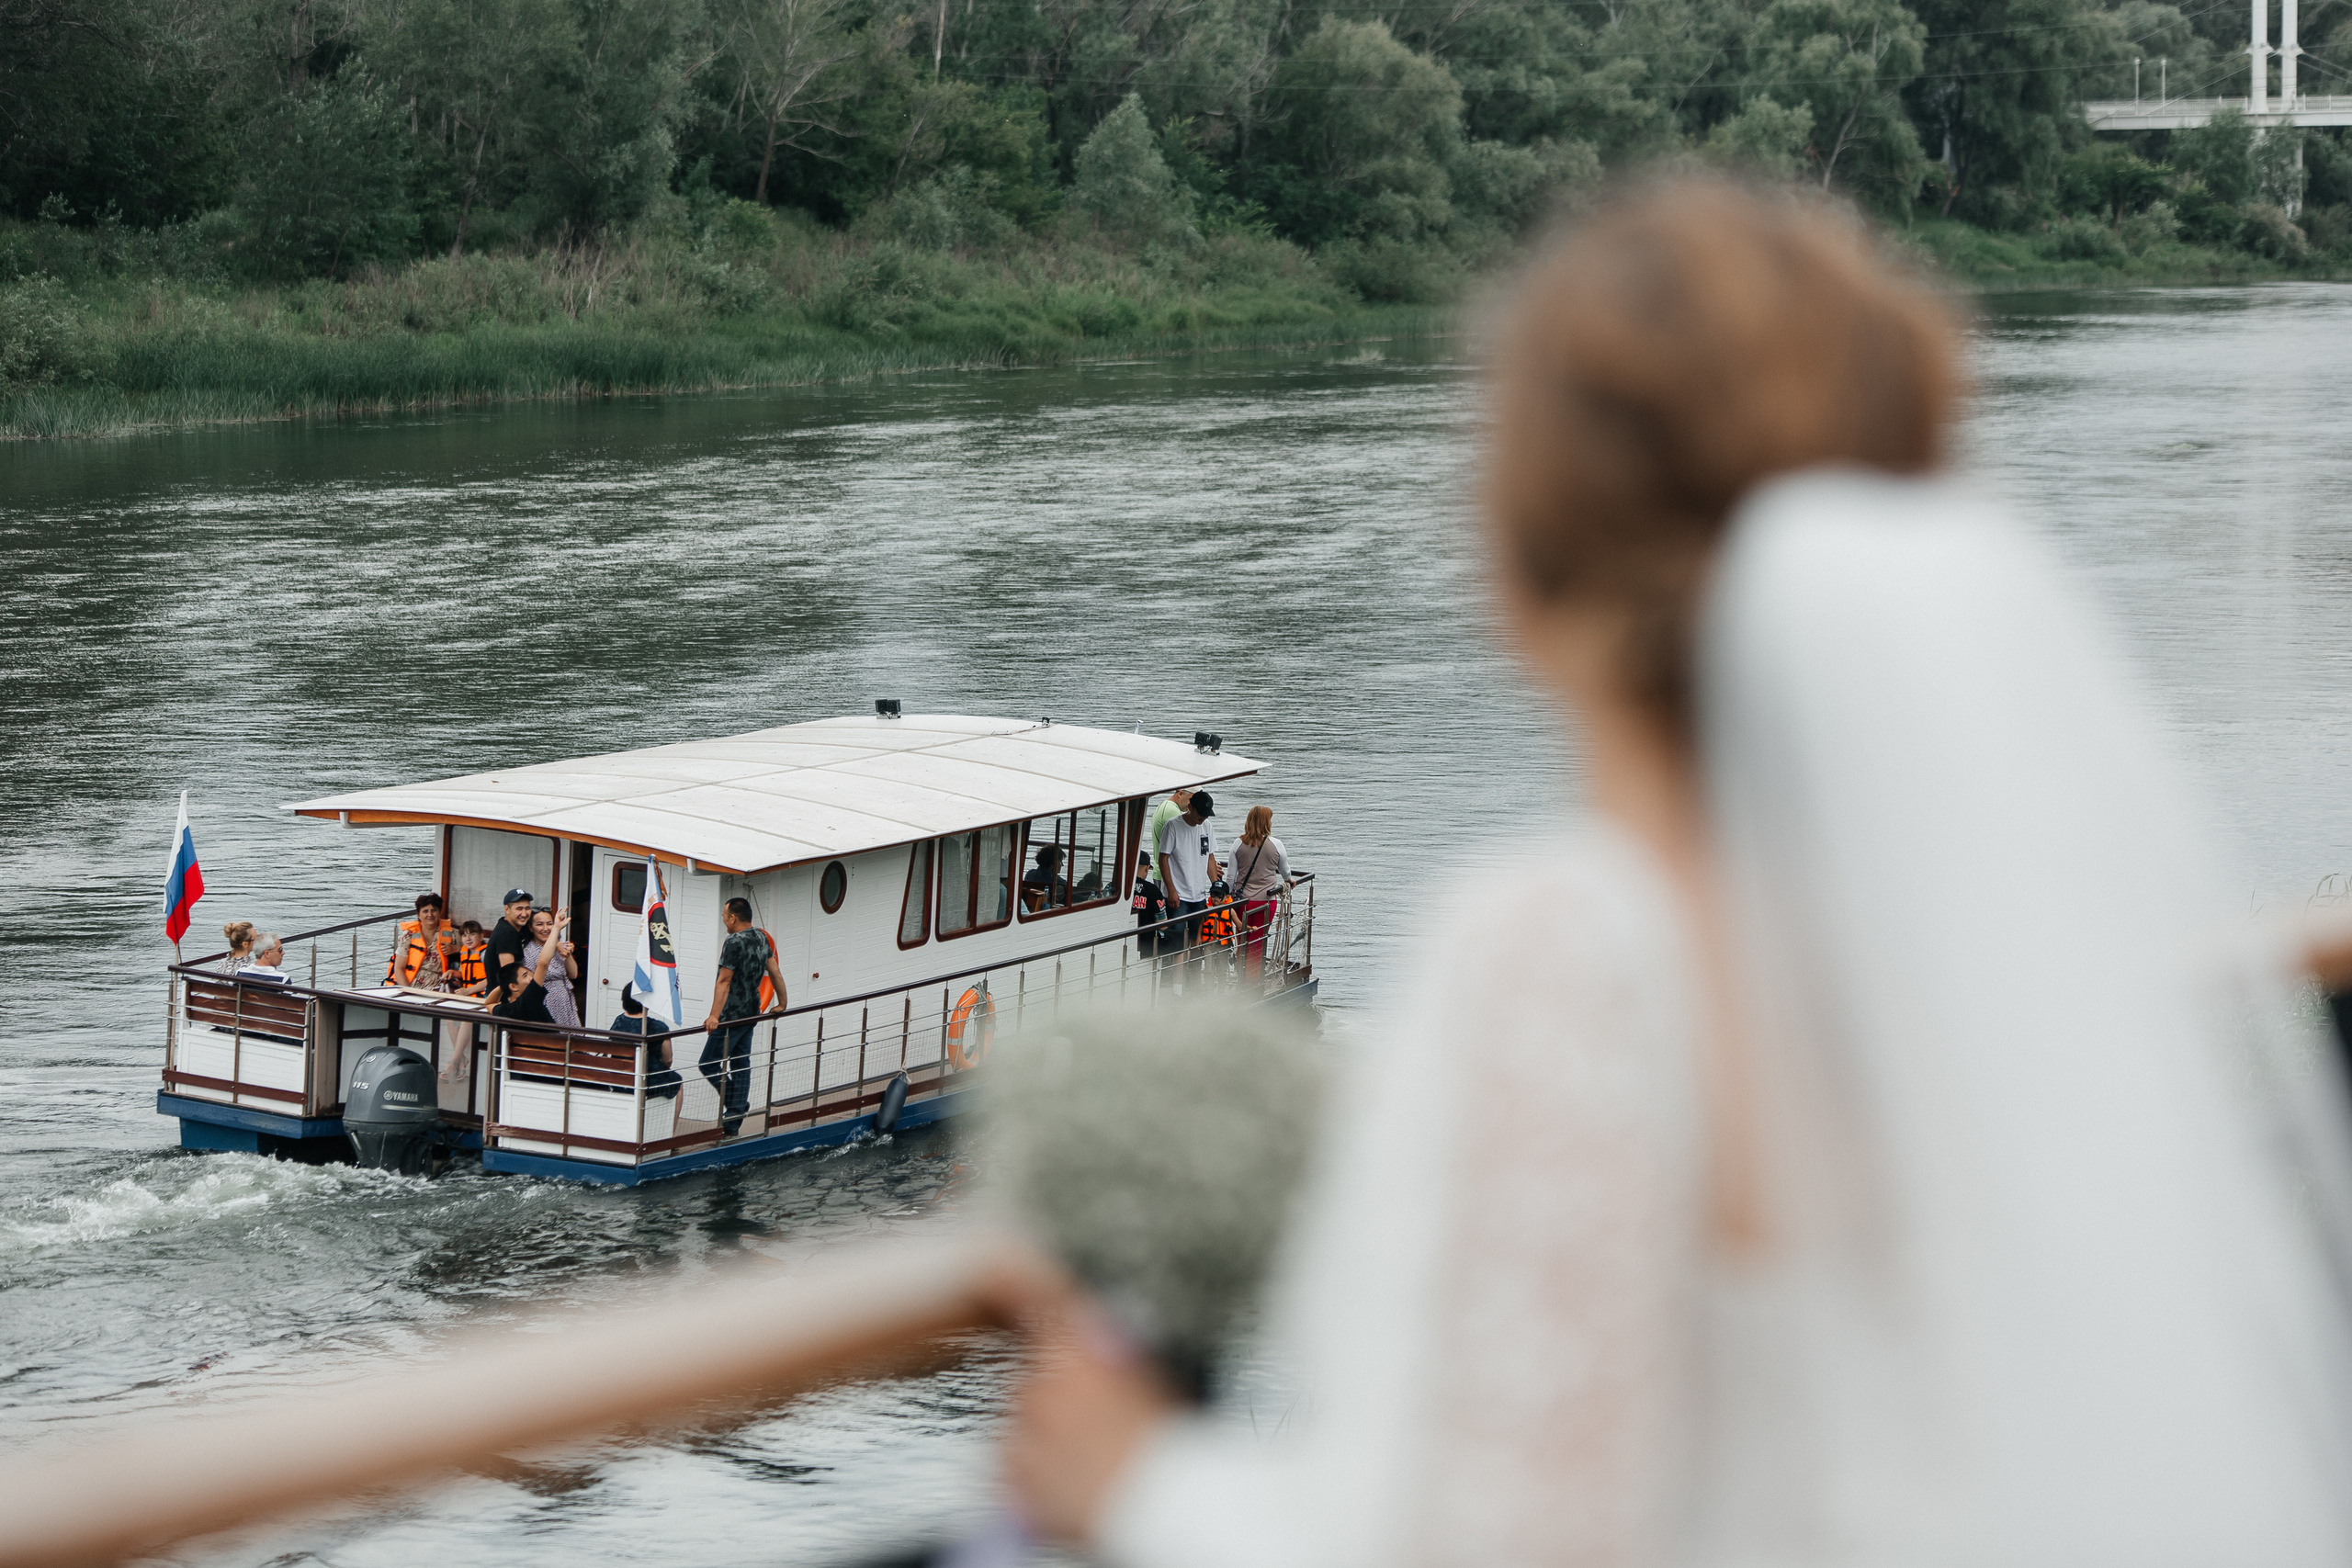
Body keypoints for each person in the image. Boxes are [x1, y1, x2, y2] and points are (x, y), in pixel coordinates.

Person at [995, 182, 2352, 1566]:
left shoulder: (1563, 945)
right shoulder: (2023, 933)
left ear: (1523, 577)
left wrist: (1146, 1485)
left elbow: (1496, 1536)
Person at [699, 896, 788, 1138]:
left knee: (707, 1063)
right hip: (752, 1011)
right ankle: (734, 1119)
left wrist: (713, 1016)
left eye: (724, 916)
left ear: (733, 917)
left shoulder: (733, 941)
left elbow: (724, 980)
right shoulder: (761, 936)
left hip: (731, 1016)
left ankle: (737, 1107)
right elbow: (775, 971)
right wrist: (782, 1003)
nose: (724, 921)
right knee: (741, 1063)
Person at [1154, 789, 1222, 967]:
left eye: (1207, 815)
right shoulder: (1173, 826)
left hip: (1199, 894)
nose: (1203, 819)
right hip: (1179, 895)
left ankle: (1191, 981)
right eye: (1201, 814)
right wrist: (1171, 891)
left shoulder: (1206, 827)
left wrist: (1217, 886)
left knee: (1196, 940)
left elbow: (1210, 858)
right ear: (1190, 807)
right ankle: (1175, 984)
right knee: (1177, 943)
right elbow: (1163, 859)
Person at [1227, 807, 1290, 979]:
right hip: (1266, 901)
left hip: (1242, 902)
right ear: (1266, 822)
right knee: (1258, 941)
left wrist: (1228, 897)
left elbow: (1231, 877)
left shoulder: (1238, 844)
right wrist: (1290, 881)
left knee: (1242, 940)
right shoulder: (1276, 845)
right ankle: (1253, 979)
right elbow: (1286, 872)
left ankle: (1241, 975)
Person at [610, 986, 681, 1100]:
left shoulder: (618, 1022)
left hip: (619, 1080)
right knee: (676, 1080)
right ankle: (672, 1118)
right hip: (649, 1081)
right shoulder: (659, 1028)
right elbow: (668, 1060)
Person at [524, 908, 582, 1028]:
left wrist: (567, 954)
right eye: (539, 924)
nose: (545, 929)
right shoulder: (529, 952)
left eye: (549, 924)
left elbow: (573, 974)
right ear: (530, 928)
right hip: (545, 1003)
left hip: (565, 1001)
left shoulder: (559, 945)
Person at [385, 893, 458, 989]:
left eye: (434, 910)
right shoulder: (408, 936)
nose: (430, 915)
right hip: (410, 984)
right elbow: (399, 969)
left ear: (440, 912)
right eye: (425, 911)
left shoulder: (453, 934)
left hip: (438, 985)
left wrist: (455, 948)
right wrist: (408, 992)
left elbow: (471, 948)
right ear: (418, 915)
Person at [488, 934, 561, 1024]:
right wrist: (556, 928)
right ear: (513, 987)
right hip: (548, 1038)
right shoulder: (528, 1000)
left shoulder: (507, 1011)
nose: (531, 978)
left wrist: (503, 986)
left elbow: (489, 1003)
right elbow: (543, 964)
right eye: (525, 976)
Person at [485, 889, 534, 999]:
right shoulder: (507, 933)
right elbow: (509, 975)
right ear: (507, 909)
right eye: (519, 909)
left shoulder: (507, 925)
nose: (524, 914)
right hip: (505, 1000)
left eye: (527, 908)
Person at [1147, 788, 1193, 890]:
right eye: (1190, 799)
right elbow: (1181, 846)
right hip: (1167, 875)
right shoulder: (1172, 811)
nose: (1191, 805)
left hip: (1160, 872)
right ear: (1180, 794)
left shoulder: (1164, 806)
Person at [1130, 850, 1170, 962]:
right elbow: (1162, 925)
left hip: (1122, 941)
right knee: (1180, 940)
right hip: (1147, 944)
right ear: (1147, 868)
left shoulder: (1116, 888)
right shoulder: (1153, 891)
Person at [1022, 845, 1069, 913]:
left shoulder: (1029, 874)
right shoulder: (1059, 881)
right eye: (1060, 861)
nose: (1062, 864)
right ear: (1053, 863)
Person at [453, 921, 490, 997]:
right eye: (464, 936)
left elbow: (491, 980)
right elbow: (462, 973)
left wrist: (467, 991)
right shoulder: (464, 952)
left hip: (484, 996)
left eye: (472, 934)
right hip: (469, 995)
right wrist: (452, 973)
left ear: (481, 937)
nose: (468, 939)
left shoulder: (485, 953)